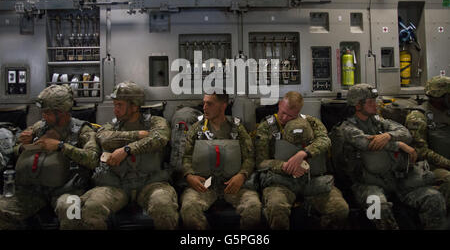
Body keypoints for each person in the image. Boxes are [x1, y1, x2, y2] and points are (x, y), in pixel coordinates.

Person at [337, 83, 446, 229]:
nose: (375, 104)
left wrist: (388, 135)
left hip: (396, 178)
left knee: (434, 198)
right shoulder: (347, 129)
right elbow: (366, 143)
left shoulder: (379, 122)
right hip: (367, 184)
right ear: (358, 106)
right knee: (376, 207)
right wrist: (399, 145)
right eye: (370, 102)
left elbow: (405, 133)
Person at [78, 81, 179, 230]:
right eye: (114, 105)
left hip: (151, 183)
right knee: (92, 208)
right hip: (116, 185)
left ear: (134, 106)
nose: (115, 110)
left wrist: (126, 150)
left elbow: (160, 138)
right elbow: (104, 138)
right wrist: (137, 135)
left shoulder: (156, 122)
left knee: (163, 205)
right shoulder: (111, 126)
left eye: (120, 105)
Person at [0, 84, 100, 229]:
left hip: (68, 190)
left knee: (72, 212)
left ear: (62, 112)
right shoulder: (39, 127)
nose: (43, 116)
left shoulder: (83, 131)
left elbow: (93, 159)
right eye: (43, 112)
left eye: (48, 112)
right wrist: (22, 145)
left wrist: (61, 146)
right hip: (34, 190)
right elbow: (15, 150)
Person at [255, 91, 349, 230]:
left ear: (299, 111)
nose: (284, 118)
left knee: (339, 209)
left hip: (313, 180)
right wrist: (285, 166)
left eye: (290, 116)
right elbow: (261, 162)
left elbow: (325, 140)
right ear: (280, 104)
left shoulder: (311, 122)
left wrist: (303, 153)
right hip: (281, 182)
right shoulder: (266, 127)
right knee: (276, 208)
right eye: (283, 112)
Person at [180, 90, 262, 230]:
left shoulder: (237, 129)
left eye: (209, 104)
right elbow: (186, 157)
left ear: (223, 106)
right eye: (204, 103)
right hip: (204, 184)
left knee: (253, 207)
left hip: (232, 183)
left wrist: (242, 175)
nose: (204, 107)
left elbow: (249, 157)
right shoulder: (196, 129)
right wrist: (189, 176)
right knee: (189, 208)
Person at [405, 76, 450, 208]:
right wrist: (448, 163)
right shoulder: (418, 117)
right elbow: (421, 151)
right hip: (431, 168)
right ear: (440, 97)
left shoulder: (446, 112)